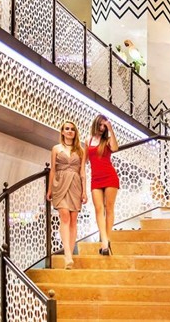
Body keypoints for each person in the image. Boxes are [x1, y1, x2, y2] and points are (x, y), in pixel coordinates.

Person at [46, 121, 87, 269]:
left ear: (75, 133)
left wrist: (84, 191)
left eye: (72, 129)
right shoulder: (56, 149)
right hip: (60, 183)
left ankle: (69, 254)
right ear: (62, 132)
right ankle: (67, 254)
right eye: (67, 129)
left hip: (75, 184)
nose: (70, 131)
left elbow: (82, 172)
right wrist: (49, 189)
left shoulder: (81, 150)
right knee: (64, 216)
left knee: (73, 219)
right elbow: (53, 170)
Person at [87, 115, 120, 256]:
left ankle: (106, 241)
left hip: (110, 176)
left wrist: (110, 129)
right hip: (96, 178)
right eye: (100, 125)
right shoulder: (88, 140)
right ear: (95, 124)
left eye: (104, 126)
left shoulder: (107, 140)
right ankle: (105, 239)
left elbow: (115, 148)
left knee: (109, 208)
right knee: (98, 209)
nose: (101, 128)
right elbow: (85, 160)